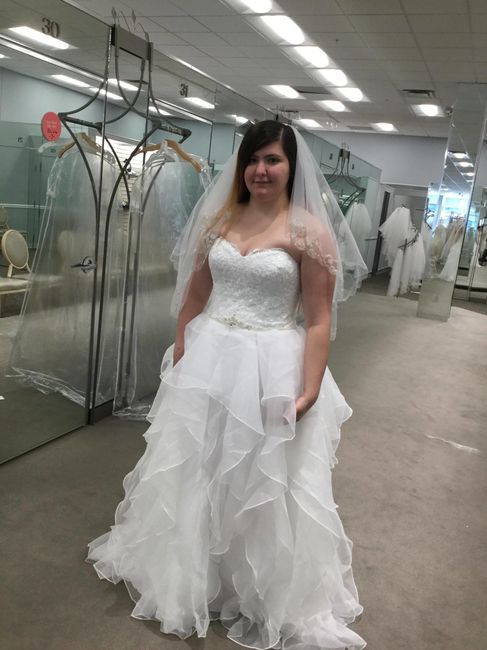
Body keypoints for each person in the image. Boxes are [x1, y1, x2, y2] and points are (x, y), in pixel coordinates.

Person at [87, 120, 368, 650]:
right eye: (253, 159)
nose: (261, 170)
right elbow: (195, 296)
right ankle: (193, 573)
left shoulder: (308, 231)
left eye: (273, 160)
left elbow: (318, 319)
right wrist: (182, 349)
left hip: (272, 365)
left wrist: (310, 388)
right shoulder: (220, 220)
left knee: (263, 476)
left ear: (290, 167)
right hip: (211, 355)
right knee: (200, 464)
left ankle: (256, 589)